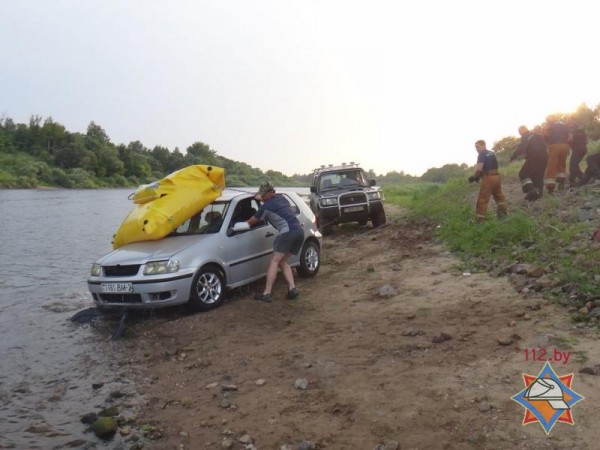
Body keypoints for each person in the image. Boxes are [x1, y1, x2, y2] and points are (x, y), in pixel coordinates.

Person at [247, 181, 304, 303]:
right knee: (282, 261)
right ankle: (292, 288)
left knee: (274, 261)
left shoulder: (266, 207)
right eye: (260, 194)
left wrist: (239, 225)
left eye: (263, 194)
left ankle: (267, 293)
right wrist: (258, 196)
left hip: (288, 232)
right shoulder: (282, 198)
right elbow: (264, 197)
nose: (261, 197)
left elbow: (251, 222)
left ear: (270, 192)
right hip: (299, 231)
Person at [469, 140, 507, 222]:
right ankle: (503, 215)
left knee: (483, 199)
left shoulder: (481, 154)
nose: (476, 149)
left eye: (477, 146)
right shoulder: (492, 153)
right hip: (497, 177)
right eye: (475, 147)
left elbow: (479, 168)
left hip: (489, 178)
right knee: (498, 196)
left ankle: (480, 220)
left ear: (483, 146)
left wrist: (474, 177)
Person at [509, 125, 548, 201]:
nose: (520, 134)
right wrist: (518, 144)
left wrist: (512, 157)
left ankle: (531, 190)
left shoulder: (525, 136)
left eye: (520, 132)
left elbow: (521, 148)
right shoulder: (536, 135)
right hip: (545, 157)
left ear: (523, 130)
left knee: (523, 173)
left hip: (534, 156)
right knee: (538, 176)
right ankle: (537, 194)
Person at [542, 115, 571, 193]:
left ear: (550, 119)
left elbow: (545, 135)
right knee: (561, 165)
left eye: (547, 119)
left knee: (551, 167)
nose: (546, 121)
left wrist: (547, 142)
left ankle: (550, 188)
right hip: (565, 146)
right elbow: (570, 137)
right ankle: (561, 184)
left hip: (554, 146)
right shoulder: (563, 124)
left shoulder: (549, 125)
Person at [567, 117, 588, 186]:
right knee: (575, 164)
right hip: (583, 149)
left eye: (569, 121)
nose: (568, 122)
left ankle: (572, 182)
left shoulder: (572, 129)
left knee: (572, 165)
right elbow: (585, 138)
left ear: (573, 121)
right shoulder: (580, 128)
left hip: (577, 149)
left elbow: (570, 139)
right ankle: (581, 176)